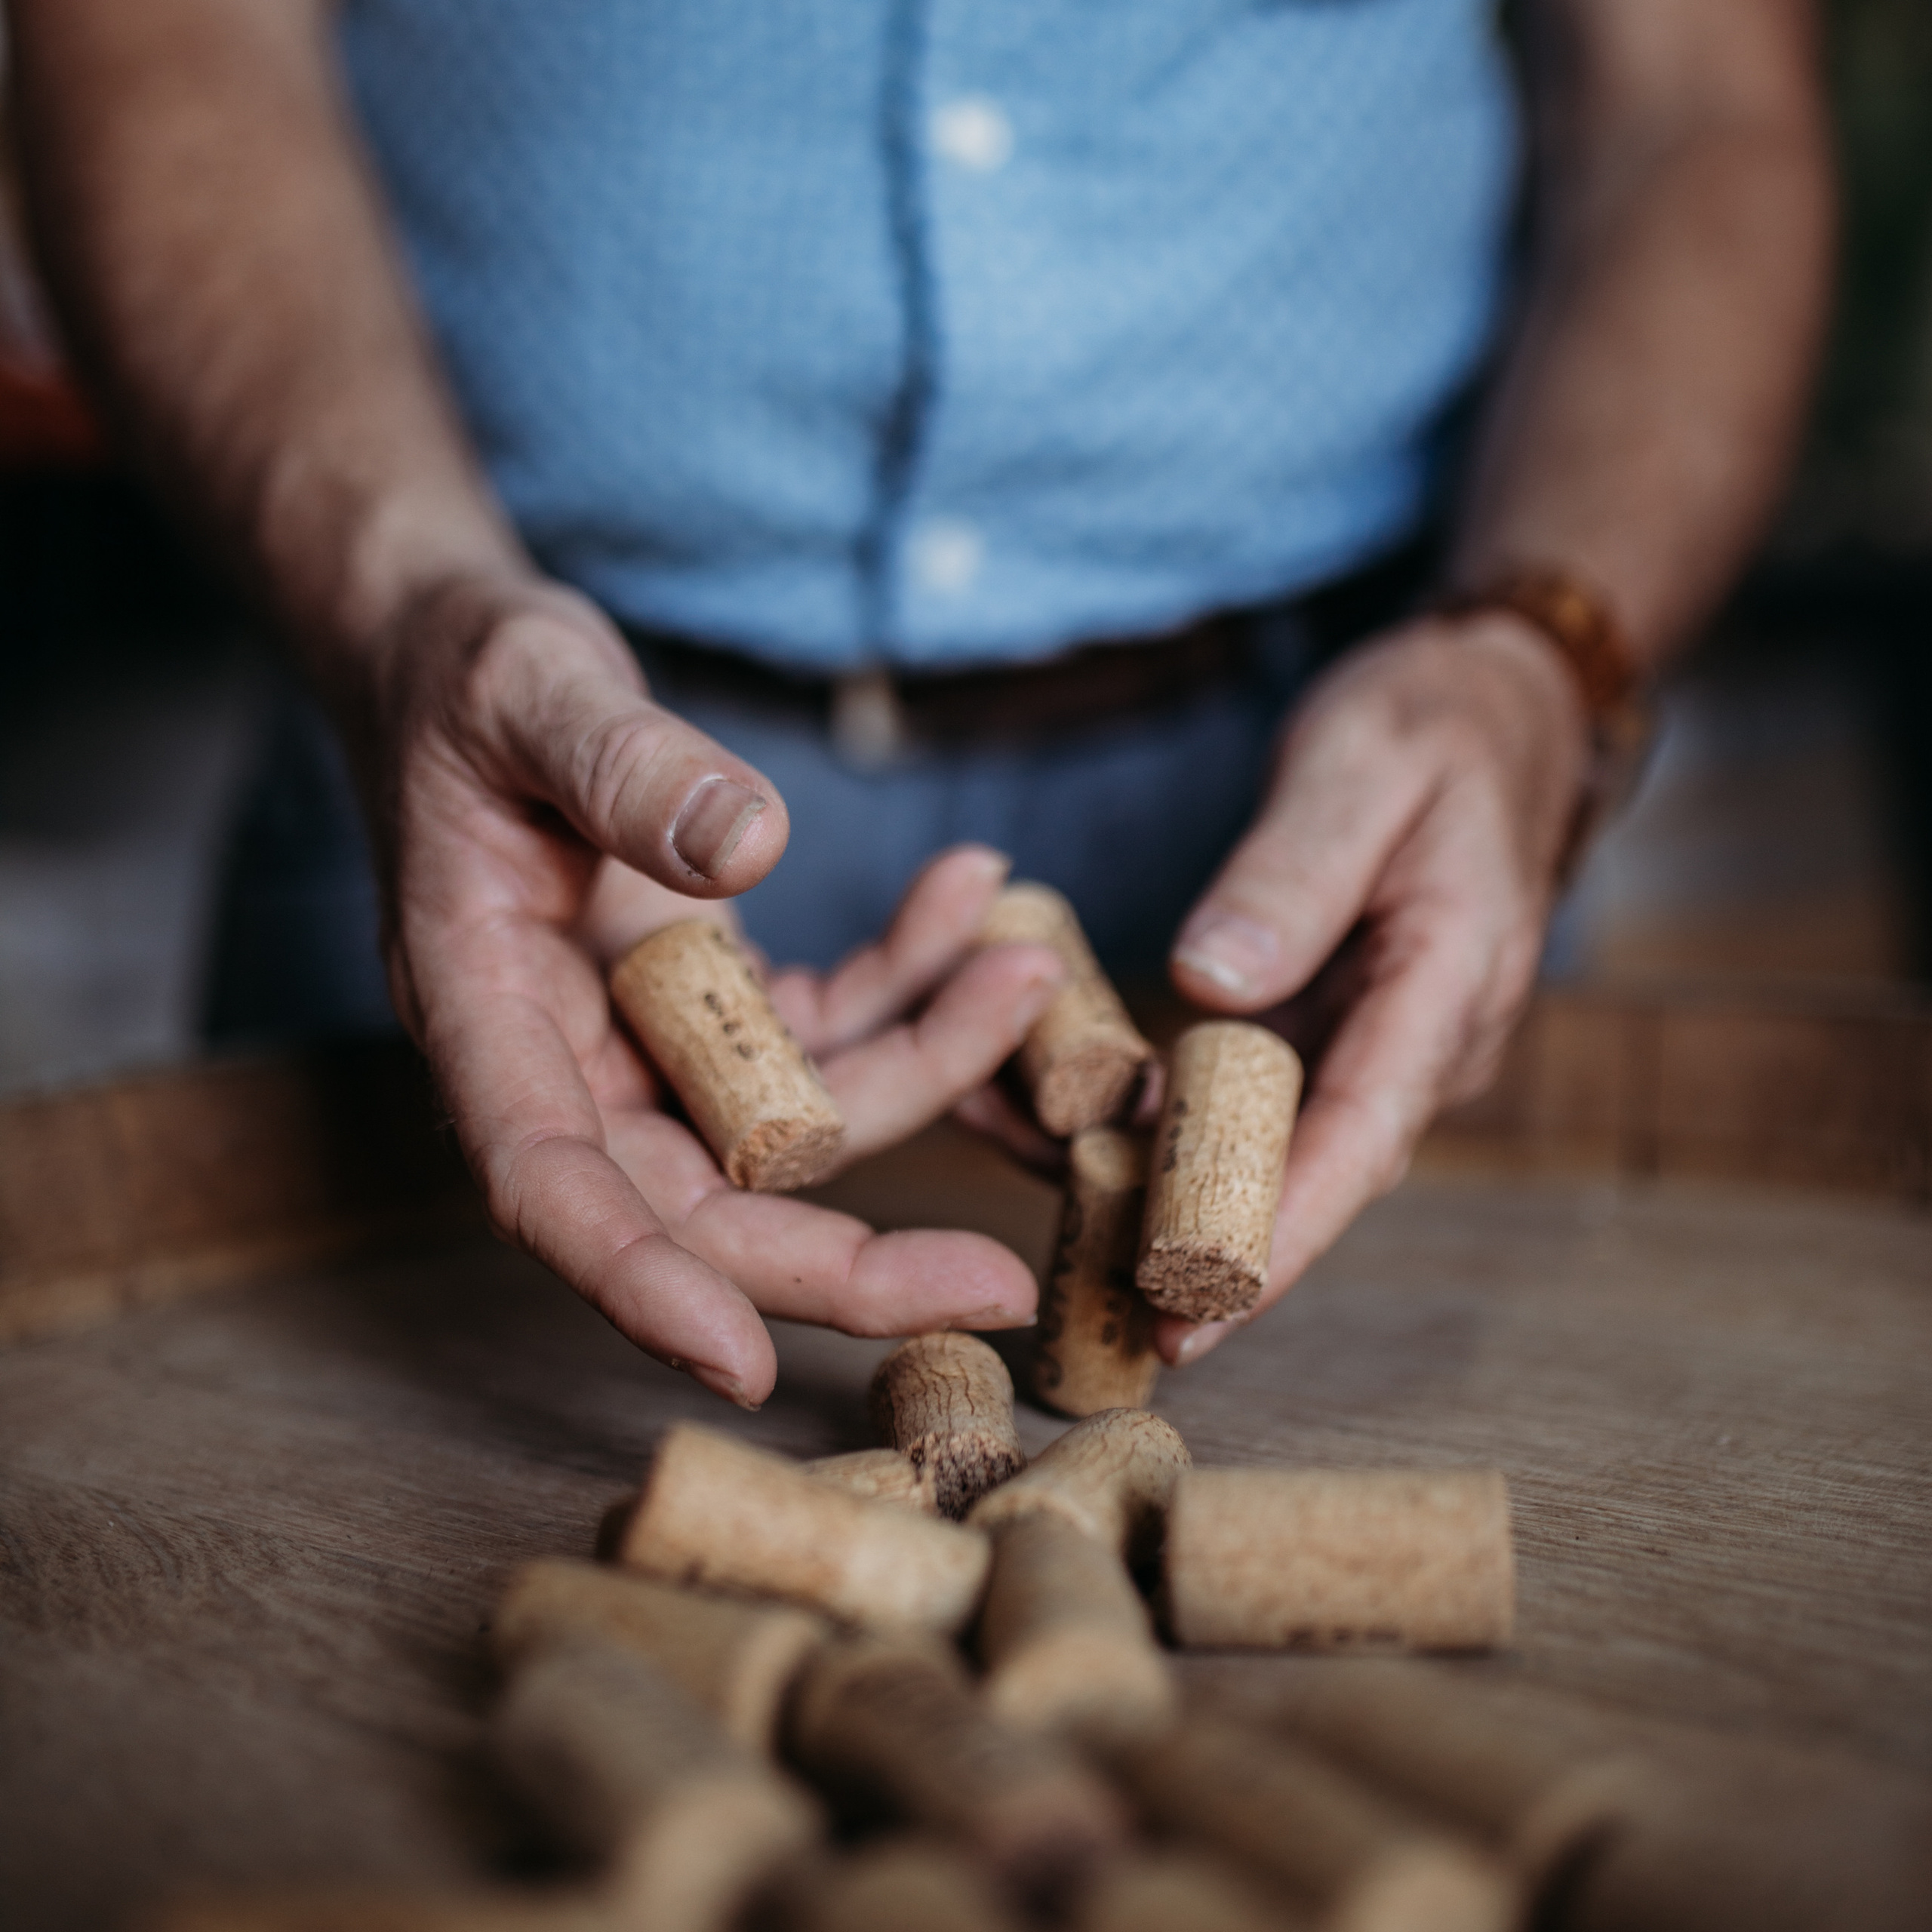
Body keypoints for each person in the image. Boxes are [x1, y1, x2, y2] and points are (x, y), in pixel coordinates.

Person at [11, 0, 1830, 1406]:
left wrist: (1542, 645)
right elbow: (160, 31)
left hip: (1341, 788)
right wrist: (403, 596)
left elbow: (1703, 98)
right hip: (505, 776)